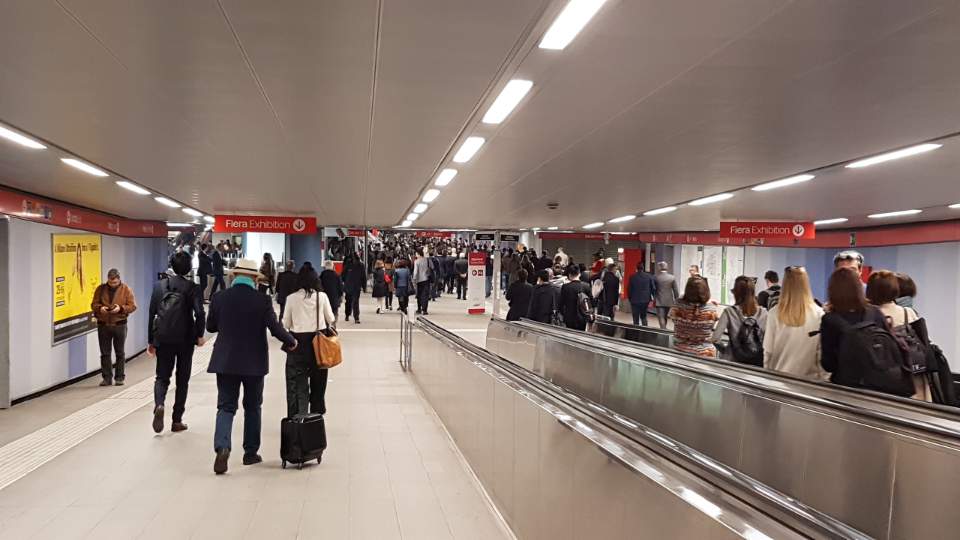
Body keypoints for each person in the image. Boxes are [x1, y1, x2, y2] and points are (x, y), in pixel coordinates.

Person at [206, 258, 298, 474]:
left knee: (226, 406)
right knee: (253, 406)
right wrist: (291, 341)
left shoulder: (220, 297)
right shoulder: (262, 300)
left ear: (233, 276)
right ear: (255, 279)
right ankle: (250, 453)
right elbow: (275, 328)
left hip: (226, 360)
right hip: (254, 362)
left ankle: (222, 447)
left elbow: (210, 327)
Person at [148, 252, 206, 433]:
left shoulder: (159, 286)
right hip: (185, 339)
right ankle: (177, 420)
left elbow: (152, 314)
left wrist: (151, 341)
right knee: (182, 379)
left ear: (172, 265)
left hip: (163, 338)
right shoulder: (192, 287)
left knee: (161, 377)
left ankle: (159, 404)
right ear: (188, 267)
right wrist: (199, 334)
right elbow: (200, 313)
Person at [820, 267, 890, 391]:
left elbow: (828, 364)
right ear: (859, 288)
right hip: (877, 385)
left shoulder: (829, 320)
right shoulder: (875, 313)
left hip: (844, 387)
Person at [867, 270, 931, 401]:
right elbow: (924, 343)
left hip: (886, 381)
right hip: (913, 378)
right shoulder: (908, 312)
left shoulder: (869, 315)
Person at [282, 268, 336, 417]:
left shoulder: (291, 298)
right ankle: (316, 415)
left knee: (297, 382)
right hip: (318, 343)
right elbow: (331, 318)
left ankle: (298, 415)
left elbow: (286, 323)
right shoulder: (321, 297)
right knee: (319, 382)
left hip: (297, 343)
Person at [762, 266, 825, 378]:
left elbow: (768, 352)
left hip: (778, 381)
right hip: (809, 382)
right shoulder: (819, 314)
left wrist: (767, 376)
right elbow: (821, 355)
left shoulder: (774, 314)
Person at [91, 268, 137, 386]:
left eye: (115, 282)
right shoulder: (100, 289)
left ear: (119, 279)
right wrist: (100, 308)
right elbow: (93, 304)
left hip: (120, 325)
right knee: (105, 353)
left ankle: (119, 378)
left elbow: (132, 306)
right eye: (110, 282)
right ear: (107, 279)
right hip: (103, 325)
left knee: (120, 352)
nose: (113, 284)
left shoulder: (126, 289)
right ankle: (107, 378)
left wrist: (120, 308)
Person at [713, 276, 767, 366]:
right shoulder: (764, 313)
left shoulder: (729, 311)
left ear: (735, 293)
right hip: (755, 363)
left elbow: (715, 339)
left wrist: (726, 351)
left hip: (732, 362)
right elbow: (767, 340)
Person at [669, 277, 720, 358]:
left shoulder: (678, 306)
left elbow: (672, 317)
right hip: (706, 354)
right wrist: (707, 301)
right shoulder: (712, 309)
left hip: (680, 352)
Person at [560, 266, 591, 330]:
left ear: (569, 275)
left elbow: (561, 303)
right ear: (579, 274)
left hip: (569, 318)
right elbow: (592, 302)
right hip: (582, 317)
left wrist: (564, 314)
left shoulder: (565, 287)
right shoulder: (586, 286)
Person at [627, 262, 657, 326]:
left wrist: (630, 298)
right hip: (645, 300)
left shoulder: (632, 277)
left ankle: (636, 330)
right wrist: (653, 297)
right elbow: (653, 288)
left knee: (635, 317)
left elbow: (629, 289)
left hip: (634, 300)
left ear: (636, 268)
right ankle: (644, 329)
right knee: (644, 316)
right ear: (643, 268)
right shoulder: (649, 276)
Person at [654, 262, 680, 329]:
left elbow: (654, 288)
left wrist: (653, 297)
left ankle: (663, 330)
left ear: (660, 268)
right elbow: (675, 290)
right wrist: (677, 300)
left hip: (659, 300)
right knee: (665, 316)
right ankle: (664, 329)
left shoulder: (656, 277)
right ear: (667, 267)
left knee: (661, 317)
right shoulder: (672, 277)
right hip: (669, 300)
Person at [341, 254, 366, 323]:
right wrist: (364, 287)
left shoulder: (349, 265)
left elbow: (343, 275)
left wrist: (344, 282)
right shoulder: (360, 265)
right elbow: (363, 277)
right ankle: (354, 317)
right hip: (355, 286)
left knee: (350, 301)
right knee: (353, 302)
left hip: (351, 286)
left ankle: (350, 315)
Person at [413, 251, 432, 315]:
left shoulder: (417, 261)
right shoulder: (428, 260)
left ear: (418, 254)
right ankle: (425, 309)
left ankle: (419, 308)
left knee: (419, 294)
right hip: (426, 279)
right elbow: (432, 267)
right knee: (425, 295)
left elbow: (415, 272)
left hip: (419, 280)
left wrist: (414, 279)